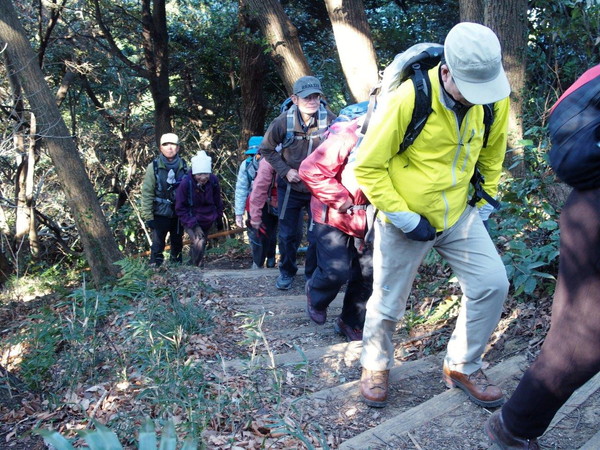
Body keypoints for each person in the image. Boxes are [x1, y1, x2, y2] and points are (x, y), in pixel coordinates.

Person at [353, 22, 511, 408]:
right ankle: (375, 364)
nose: (475, 99)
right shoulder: (410, 98)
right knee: (388, 300)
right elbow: (367, 166)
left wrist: (484, 201)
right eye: (468, 90)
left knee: (492, 284)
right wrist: (404, 217)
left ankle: (462, 364)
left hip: (459, 213)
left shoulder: (493, 96)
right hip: (404, 216)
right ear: (447, 72)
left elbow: (493, 153)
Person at [485, 66, 600, 449]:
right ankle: (513, 426)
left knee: (576, 329)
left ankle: (514, 424)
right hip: (594, 218)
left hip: (587, 210)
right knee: (581, 337)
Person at [298, 104, 373, 341]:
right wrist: (340, 199)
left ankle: (350, 321)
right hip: (332, 212)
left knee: (367, 273)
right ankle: (316, 294)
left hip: (366, 215)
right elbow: (310, 170)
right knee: (336, 271)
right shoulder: (348, 135)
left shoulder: (399, 135)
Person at [260, 76, 337, 290]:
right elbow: (266, 149)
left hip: (317, 188)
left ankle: (312, 275)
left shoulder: (330, 120)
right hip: (290, 187)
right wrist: (285, 171)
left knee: (317, 234)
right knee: (288, 234)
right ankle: (286, 272)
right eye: (306, 98)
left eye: (316, 97)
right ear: (294, 99)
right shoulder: (282, 122)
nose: (312, 101)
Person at [141, 133, 188, 267]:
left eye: (173, 144)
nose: (169, 148)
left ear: (178, 148)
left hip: (178, 212)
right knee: (157, 244)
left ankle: (177, 270)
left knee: (177, 243)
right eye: (165, 145)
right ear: (160, 148)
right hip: (160, 212)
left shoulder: (184, 166)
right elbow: (147, 192)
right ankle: (154, 269)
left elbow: (189, 190)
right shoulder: (154, 167)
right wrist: (148, 216)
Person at [175, 150, 223, 267]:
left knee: (202, 242)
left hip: (208, 218)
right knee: (199, 240)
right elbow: (180, 207)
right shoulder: (186, 183)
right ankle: (193, 268)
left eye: (206, 174)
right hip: (190, 217)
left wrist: (219, 219)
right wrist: (194, 225)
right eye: (199, 174)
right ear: (194, 174)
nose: (203, 178)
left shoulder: (213, 181)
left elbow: (218, 200)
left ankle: (196, 265)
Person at [234, 136, 276, 269]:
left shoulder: (274, 162)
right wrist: (239, 213)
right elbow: (241, 189)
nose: (257, 157)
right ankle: (257, 262)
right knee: (256, 233)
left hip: (272, 203)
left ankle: (271, 258)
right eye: (253, 154)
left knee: (271, 232)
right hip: (253, 204)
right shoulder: (246, 165)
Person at [247, 156, 279, 269]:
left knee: (283, 235)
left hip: (286, 201)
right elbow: (257, 190)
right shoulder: (261, 164)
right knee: (261, 235)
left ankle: (273, 261)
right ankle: (258, 263)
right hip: (263, 203)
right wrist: (254, 215)